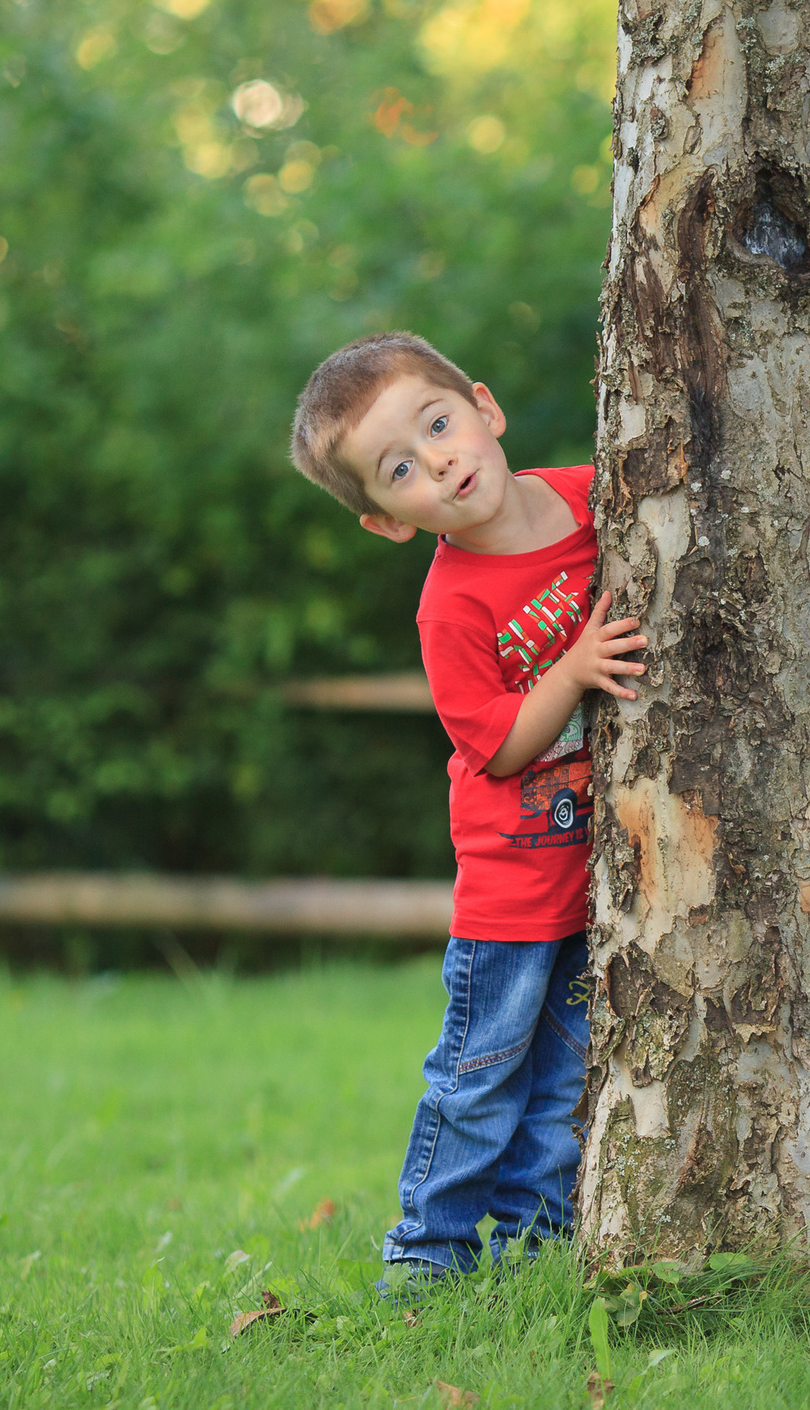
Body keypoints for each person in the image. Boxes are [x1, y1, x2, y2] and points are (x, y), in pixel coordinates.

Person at [289, 331, 647, 1287]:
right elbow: (496, 744)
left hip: (600, 874)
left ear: (485, 408)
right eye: (399, 466)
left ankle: (535, 1247)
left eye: (439, 423)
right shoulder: (451, 604)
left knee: (568, 1078)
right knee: (481, 1077)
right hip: (512, 891)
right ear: (387, 519)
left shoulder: (595, 498)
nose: (439, 459)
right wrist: (572, 670)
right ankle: (427, 1251)